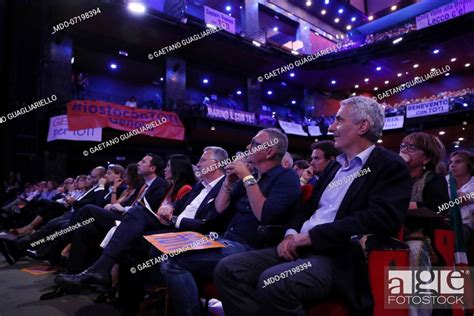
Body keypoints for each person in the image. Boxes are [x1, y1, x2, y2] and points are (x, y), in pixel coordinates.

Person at [213, 96, 412, 316]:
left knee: (273, 283)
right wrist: (290, 234)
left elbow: (381, 218)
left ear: (362, 126)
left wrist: (312, 237)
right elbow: (306, 209)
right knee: (228, 269)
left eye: (339, 120)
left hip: (337, 255)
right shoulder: (334, 167)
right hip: (299, 246)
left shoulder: (389, 165)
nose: (331, 126)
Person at [160, 128, 301, 316]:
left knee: (173, 262)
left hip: (250, 247)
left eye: (254, 144)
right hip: (225, 239)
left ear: (269, 152)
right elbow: (220, 209)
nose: (247, 147)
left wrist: (247, 177)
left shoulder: (285, 176)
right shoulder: (251, 178)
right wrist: (228, 182)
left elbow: (265, 215)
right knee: (163, 249)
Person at [55, 154, 170, 290]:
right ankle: (75, 274)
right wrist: (118, 206)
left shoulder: (160, 184)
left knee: (88, 209)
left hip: (132, 222)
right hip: (125, 217)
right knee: (84, 228)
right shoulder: (144, 185)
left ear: (152, 168)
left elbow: (145, 211)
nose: (138, 163)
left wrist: (122, 207)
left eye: (143, 161)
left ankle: (62, 239)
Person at [447, 150, 474, 259]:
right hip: (445, 221)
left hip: (465, 225)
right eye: (451, 162)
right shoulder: (445, 181)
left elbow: (459, 200)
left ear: (470, 165)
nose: (452, 165)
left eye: (458, 162)